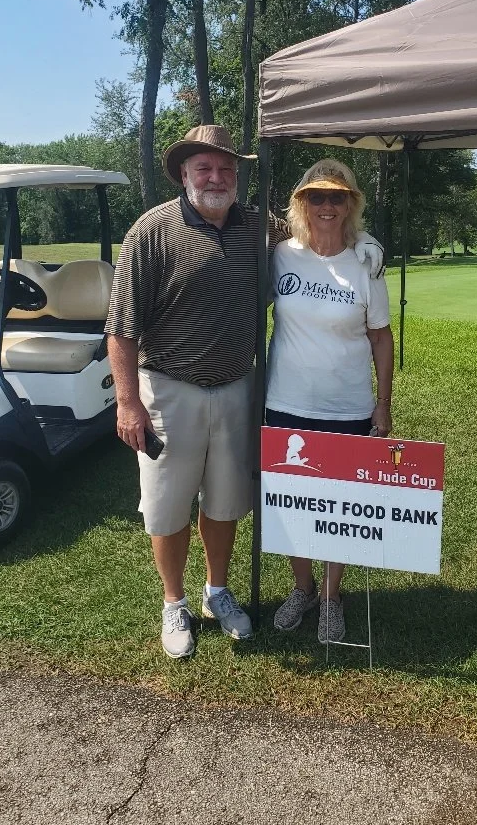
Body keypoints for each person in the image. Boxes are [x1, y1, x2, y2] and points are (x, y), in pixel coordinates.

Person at [105, 126, 383, 660]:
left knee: (227, 498)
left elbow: (317, 231)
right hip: (168, 387)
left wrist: (365, 242)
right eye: (204, 169)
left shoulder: (257, 224)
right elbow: (121, 326)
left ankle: (217, 589)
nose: (216, 178)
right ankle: (173, 600)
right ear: (184, 175)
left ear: (237, 177)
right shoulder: (151, 231)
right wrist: (127, 401)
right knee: (168, 505)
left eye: (226, 169)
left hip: (238, 387)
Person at [266, 158, 394, 644]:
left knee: (339, 508)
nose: (326, 205)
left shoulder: (366, 263)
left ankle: (331, 595)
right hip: (285, 403)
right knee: (294, 505)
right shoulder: (282, 254)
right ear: (301, 202)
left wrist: (383, 404)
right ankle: (301, 588)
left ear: (350, 204)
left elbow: (381, 337)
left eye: (336, 197)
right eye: (316, 196)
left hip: (347, 406)